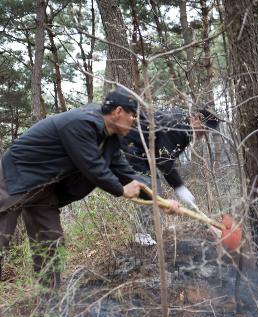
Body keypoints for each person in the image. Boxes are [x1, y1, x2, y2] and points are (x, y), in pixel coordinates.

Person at [0, 89, 180, 288]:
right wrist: (121, 191)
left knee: (51, 241)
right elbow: (92, 167)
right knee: (2, 238)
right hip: (15, 177)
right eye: (133, 116)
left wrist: (159, 202)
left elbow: (125, 172)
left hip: (45, 188)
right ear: (119, 111)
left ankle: (48, 301)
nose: (135, 122)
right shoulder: (80, 123)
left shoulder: (111, 138)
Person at [120, 107, 220, 245]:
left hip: (144, 153)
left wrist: (179, 186)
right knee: (149, 187)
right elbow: (165, 160)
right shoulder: (179, 126)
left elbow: (166, 158)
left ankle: (152, 231)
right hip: (132, 148)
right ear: (196, 118)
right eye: (205, 128)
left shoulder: (184, 126)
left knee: (155, 188)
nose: (204, 133)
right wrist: (179, 187)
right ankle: (141, 235)